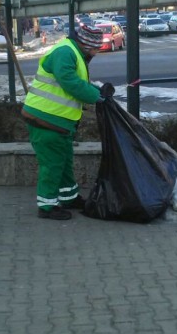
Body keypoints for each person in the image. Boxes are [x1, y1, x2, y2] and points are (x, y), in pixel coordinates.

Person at [21, 24, 114, 220]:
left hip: (57, 121)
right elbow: (69, 81)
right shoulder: (65, 52)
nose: (97, 52)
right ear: (86, 44)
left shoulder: (73, 52)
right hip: (44, 118)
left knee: (63, 163)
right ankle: (47, 207)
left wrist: (97, 92)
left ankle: (69, 198)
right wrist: (95, 96)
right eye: (95, 48)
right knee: (52, 165)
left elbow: (75, 81)